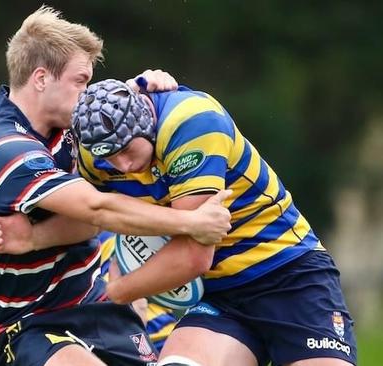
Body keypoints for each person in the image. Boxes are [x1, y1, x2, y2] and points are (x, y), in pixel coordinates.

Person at [0, 6, 231, 366]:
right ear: (41, 79)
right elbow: (97, 208)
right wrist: (192, 223)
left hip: (98, 309)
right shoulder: (8, 149)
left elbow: (91, 217)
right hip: (30, 324)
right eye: (80, 81)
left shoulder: (67, 129)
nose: (86, 93)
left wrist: (139, 92)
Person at [71, 79, 357, 366]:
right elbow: (83, 211)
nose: (123, 166)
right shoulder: (95, 152)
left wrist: (116, 292)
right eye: (110, 156)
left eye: (127, 150)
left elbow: (194, 255)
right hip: (220, 295)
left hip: (288, 275)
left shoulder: (192, 123)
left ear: (145, 122)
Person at [97, 231, 178, 353]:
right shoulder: (104, 241)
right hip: (113, 335)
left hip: (156, 338)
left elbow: (139, 307)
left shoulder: (168, 248)